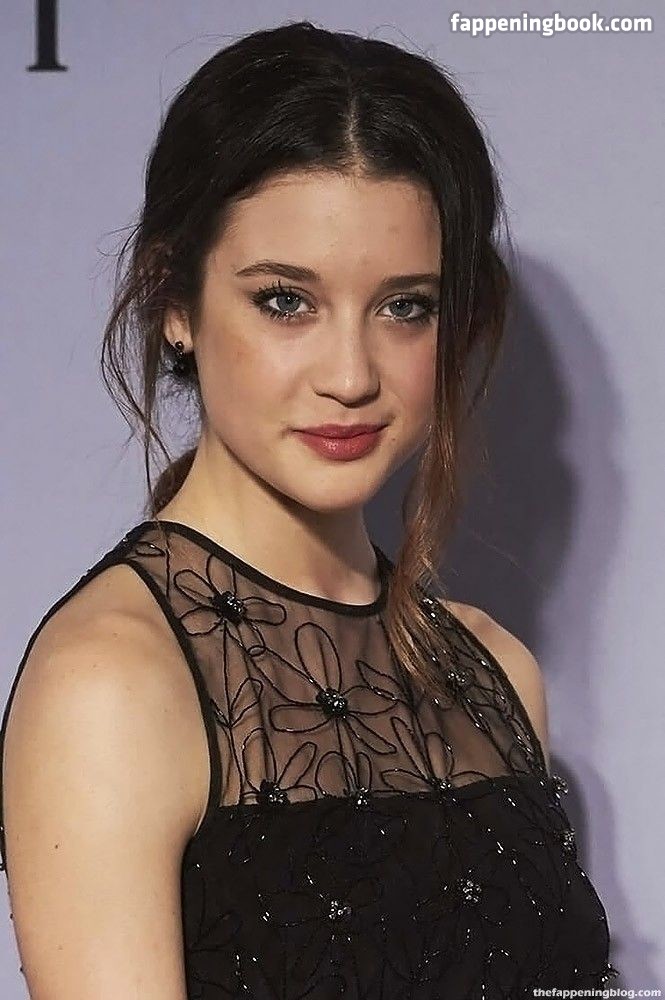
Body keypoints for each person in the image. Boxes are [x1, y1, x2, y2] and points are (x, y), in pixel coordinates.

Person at [0, 20, 619, 999]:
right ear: (173, 298)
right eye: (286, 301)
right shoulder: (111, 685)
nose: (349, 375)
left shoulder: (495, 674)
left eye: (404, 306)